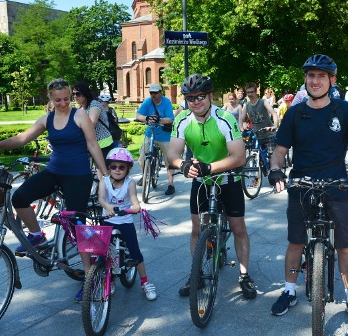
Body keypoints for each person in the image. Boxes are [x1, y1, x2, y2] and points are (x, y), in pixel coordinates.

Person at [0, 78, 109, 301]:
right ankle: (37, 235)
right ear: (50, 99)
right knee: (19, 197)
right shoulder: (46, 119)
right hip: (54, 171)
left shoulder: (80, 115)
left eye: (67, 98)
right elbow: (21, 138)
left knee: (77, 225)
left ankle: (89, 279)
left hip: (78, 175)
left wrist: (104, 174)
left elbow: (92, 144)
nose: (64, 103)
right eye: (58, 100)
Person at [267, 54, 348, 327]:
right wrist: (275, 169)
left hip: (335, 183)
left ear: (332, 80)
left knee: (344, 246)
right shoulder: (295, 113)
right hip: (301, 183)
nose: (315, 81)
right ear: (305, 79)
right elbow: (279, 151)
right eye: (311, 75)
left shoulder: (344, 110)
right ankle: (290, 290)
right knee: (295, 242)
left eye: (321, 76)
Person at [167, 73, 257, 300]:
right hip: (202, 180)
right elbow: (172, 154)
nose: (196, 102)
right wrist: (183, 164)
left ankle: (244, 275)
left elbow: (239, 156)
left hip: (228, 179)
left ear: (209, 96)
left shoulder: (224, 118)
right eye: (190, 98)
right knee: (197, 229)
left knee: (238, 229)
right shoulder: (182, 120)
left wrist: (211, 167)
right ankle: (196, 273)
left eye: (200, 96)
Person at [97, 147, 156, 300]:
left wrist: (135, 206)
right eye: (113, 167)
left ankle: (145, 282)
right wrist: (107, 207)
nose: (117, 170)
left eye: (121, 167)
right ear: (109, 167)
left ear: (128, 169)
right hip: (107, 220)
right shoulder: (104, 181)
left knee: (135, 251)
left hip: (124, 220)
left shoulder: (130, 183)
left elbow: (133, 197)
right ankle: (109, 279)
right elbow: (101, 199)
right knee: (103, 253)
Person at [135, 83, 176, 196]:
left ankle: (170, 184)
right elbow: (138, 115)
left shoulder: (166, 102)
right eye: (151, 93)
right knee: (142, 157)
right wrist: (147, 118)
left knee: (169, 159)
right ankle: (145, 175)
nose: (153, 95)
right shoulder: (148, 101)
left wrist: (159, 120)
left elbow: (171, 119)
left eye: (156, 93)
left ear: (160, 92)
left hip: (164, 135)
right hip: (150, 133)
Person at [72, 82, 114, 157]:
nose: (75, 96)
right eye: (73, 94)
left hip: (103, 143)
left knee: (102, 168)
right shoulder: (79, 108)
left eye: (78, 94)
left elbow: (91, 124)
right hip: (91, 144)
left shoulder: (94, 104)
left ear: (85, 93)